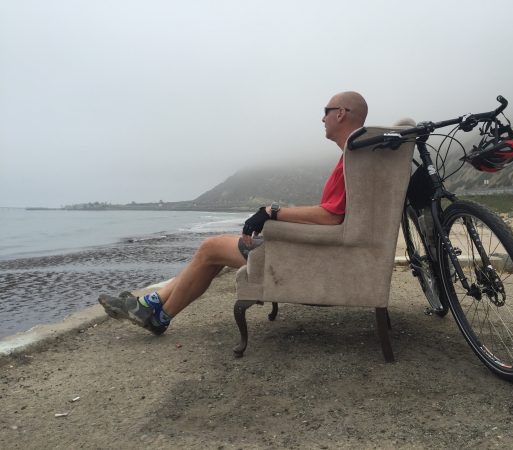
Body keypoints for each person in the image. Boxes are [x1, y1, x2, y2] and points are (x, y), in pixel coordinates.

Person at [98, 91, 369, 335]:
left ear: (341, 113)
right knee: (212, 252)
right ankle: (150, 304)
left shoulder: (351, 158)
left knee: (210, 248)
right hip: (319, 246)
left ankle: (156, 314)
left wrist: (272, 212)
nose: (322, 119)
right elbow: (334, 214)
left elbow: (332, 217)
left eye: (326, 112)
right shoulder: (356, 156)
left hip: (311, 252)